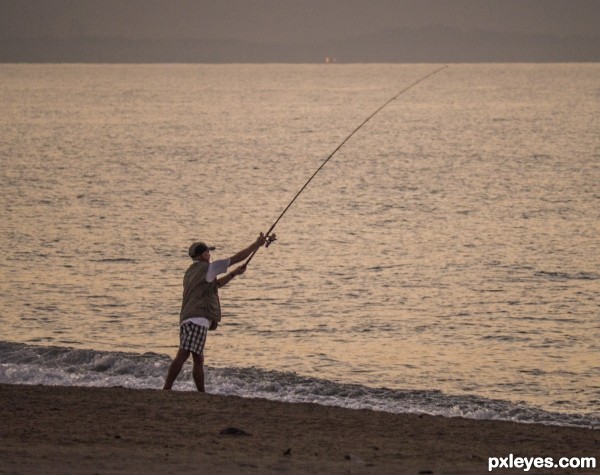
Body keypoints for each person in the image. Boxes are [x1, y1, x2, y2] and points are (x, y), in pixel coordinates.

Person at [163, 233, 271, 392]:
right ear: (200, 255)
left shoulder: (190, 272)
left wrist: (234, 274)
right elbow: (236, 258)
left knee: (197, 357)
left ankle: (198, 392)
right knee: (185, 354)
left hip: (186, 318)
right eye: (207, 252)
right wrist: (257, 244)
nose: (210, 255)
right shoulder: (209, 268)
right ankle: (168, 389)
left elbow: (216, 285)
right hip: (198, 319)